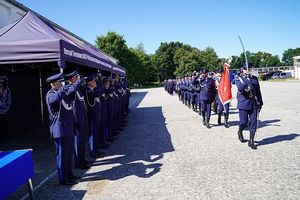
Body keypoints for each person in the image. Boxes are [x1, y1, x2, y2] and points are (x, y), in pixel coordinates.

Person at [46, 72, 81, 185]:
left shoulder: (61, 92)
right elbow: (54, 100)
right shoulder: (50, 94)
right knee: (62, 156)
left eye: (61, 82)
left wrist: (74, 84)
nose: (61, 84)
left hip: (68, 127)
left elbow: (71, 94)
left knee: (68, 154)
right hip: (59, 130)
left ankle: (69, 175)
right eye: (59, 83)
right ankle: (63, 179)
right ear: (53, 84)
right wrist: (64, 88)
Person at [64, 71, 91, 169]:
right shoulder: (68, 87)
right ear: (71, 79)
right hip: (75, 119)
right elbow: (71, 91)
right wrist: (78, 82)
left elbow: (85, 90)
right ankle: (78, 162)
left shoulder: (79, 87)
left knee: (82, 140)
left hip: (82, 117)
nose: (78, 78)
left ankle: (82, 159)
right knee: (77, 141)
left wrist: (82, 81)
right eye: (76, 77)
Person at [235, 65, 263, 149]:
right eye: (246, 69)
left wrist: (260, 102)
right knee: (244, 122)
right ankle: (240, 131)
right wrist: (246, 81)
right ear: (243, 70)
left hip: (253, 103)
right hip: (243, 103)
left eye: (250, 69)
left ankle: (251, 141)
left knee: (253, 122)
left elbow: (258, 91)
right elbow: (240, 89)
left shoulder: (254, 78)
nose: (248, 70)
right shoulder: (238, 78)